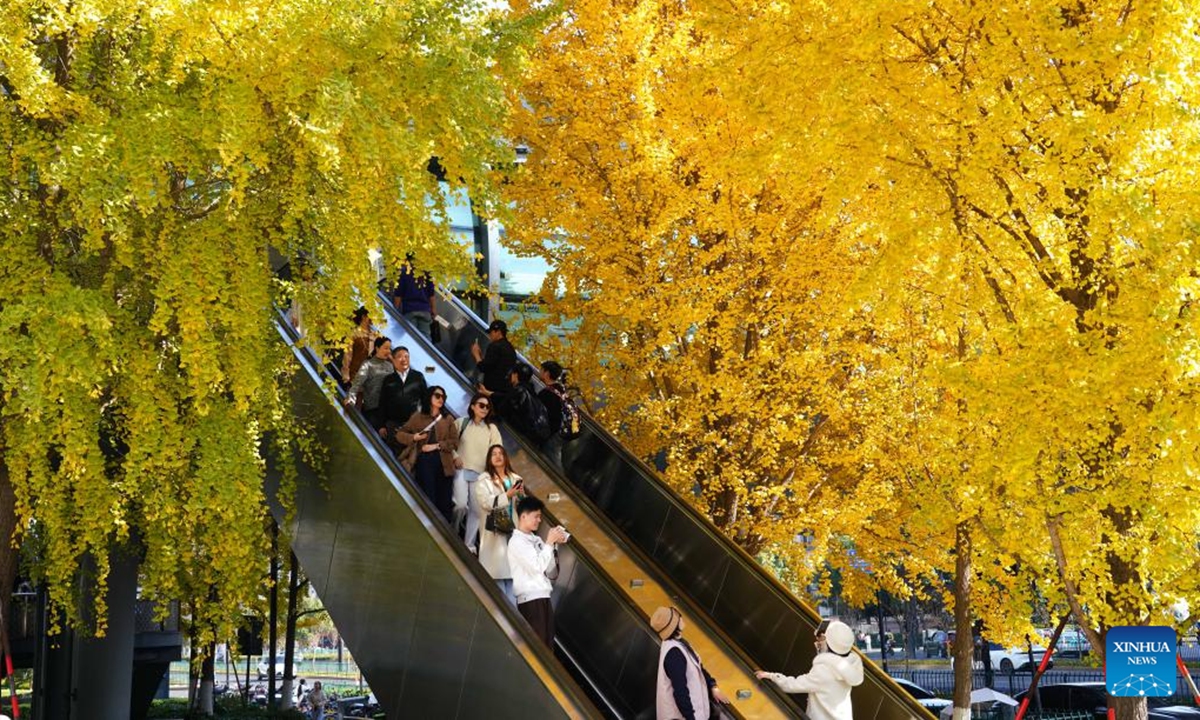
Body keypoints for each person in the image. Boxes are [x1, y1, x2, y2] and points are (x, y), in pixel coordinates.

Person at [756, 619, 863, 720]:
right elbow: (832, 661)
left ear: (828, 644)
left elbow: (792, 685)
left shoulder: (823, 672)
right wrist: (824, 648)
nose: (819, 642)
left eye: (823, 640)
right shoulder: (849, 665)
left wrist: (770, 676)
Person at [391, 386, 459, 521]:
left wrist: (436, 445)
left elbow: (455, 442)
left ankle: (445, 536)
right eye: (437, 396)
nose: (441, 399)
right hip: (425, 461)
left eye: (443, 397)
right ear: (429, 397)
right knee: (429, 498)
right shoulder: (418, 417)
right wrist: (413, 438)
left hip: (445, 463)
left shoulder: (448, 419)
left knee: (445, 501)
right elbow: (399, 434)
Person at [652, 605, 731, 720]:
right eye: (679, 617)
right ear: (675, 625)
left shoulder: (679, 643)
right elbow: (680, 693)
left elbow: (698, 667)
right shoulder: (674, 654)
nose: (682, 618)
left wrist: (713, 686)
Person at [508, 495, 567, 647]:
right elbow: (536, 568)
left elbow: (549, 569)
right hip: (530, 600)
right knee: (538, 647)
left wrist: (553, 545)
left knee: (547, 646)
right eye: (536, 516)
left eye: (540, 517)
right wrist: (548, 542)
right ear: (523, 516)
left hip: (543, 597)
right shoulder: (517, 542)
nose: (539, 520)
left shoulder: (536, 540)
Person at [452, 392, 503, 552]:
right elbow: (449, 442)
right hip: (461, 469)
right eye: (481, 405)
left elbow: (497, 451)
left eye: (487, 407)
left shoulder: (491, 429)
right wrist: (454, 456)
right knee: (460, 505)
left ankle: (469, 544)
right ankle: (452, 532)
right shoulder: (461, 423)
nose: (485, 409)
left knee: (477, 510)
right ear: (472, 406)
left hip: (480, 475)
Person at [474, 444, 524, 603]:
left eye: (501, 453)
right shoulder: (484, 480)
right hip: (495, 532)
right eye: (493, 454)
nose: (497, 456)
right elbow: (485, 503)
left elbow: (522, 506)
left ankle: (513, 620)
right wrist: (507, 495)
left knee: (512, 578)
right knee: (497, 576)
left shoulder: (515, 478)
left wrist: (521, 497)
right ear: (489, 459)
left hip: (513, 530)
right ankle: (504, 615)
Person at [345, 336, 393, 429]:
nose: (388, 351)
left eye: (390, 348)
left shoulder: (390, 366)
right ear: (377, 348)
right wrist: (350, 397)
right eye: (385, 348)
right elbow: (356, 384)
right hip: (374, 409)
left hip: (388, 409)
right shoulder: (367, 365)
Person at [497, 364, 553, 442]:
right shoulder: (531, 391)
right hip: (532, 437)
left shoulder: (518, 391)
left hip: (515, 435)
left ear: (516, 375)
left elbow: (502, 410)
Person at [378, 345, 427, 429]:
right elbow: (382, 403)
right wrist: (381, 426)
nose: (404, 359)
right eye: (400, 356)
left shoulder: (418, 377)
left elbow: (426, 399)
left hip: (413, 425)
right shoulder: (389, 379)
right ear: (393, 360)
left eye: (406, 356)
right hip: (393, 424)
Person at [536, 360, 569, 469]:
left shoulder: (546, 393)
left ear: (547, 373)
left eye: (541, 370)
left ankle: (561, 483)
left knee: (553, 461)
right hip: (562, 430)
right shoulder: (560, 390)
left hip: (553, 432)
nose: (539, 372)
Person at [471, 319, 517, 397]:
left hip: (492, 389)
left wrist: (476, 355)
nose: (490, 335)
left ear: (498, 332)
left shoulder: (494, 346)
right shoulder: (510, 348)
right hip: (505, 390)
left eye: (491, 332)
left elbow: (484, 367)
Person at [392, 261, 438, 338]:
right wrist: (433, 309)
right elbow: (431, 294)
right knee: (426, 339)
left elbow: (398, 295)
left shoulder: (404, 272)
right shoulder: (426, 272)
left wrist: (395, 310)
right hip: (425, 310)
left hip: (410, 310)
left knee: (411, 338)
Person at [340, 307, 376, 387]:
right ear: (363, 317)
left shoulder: (374, 334)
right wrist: (346, 373)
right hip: (355, 372)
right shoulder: (354, 333)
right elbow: (348, 354)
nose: (374, 318)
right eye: (371, 315)